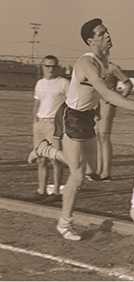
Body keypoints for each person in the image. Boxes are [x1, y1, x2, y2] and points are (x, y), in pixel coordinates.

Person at [28, 18, 134, 241]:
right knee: (77, 176)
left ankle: (46, 150)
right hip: (73, 117)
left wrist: (99, 108)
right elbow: (107, 93)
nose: (107, 35)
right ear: (91, 40)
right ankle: (65, 223)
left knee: (93, 171)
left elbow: (102, 93)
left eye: (106, 31)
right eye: (101, 33)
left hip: (87, 117)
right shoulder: (85, 63)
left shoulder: (105, 62)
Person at [85, 61, 133, 182]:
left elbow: (129, 85)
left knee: (104, 136)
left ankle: (106, 172)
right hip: (94, 103)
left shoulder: (112, 67)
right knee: (97, 137)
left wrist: (117, 100)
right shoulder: (93, 68)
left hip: (107, 103)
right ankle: (98, 170)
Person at [30, 55, 69, 198]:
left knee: (55, 159)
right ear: (42, 67)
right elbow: (37, 103)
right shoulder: (40, 83)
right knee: (41, 159)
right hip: (40, 124)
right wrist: (35, 120)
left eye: (53, 66)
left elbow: (71, 104)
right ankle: (41, 190)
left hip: (55, 125)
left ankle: (57, 191)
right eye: (47, 66)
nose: (50, 69)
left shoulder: (64, 83)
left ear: (57, 67)